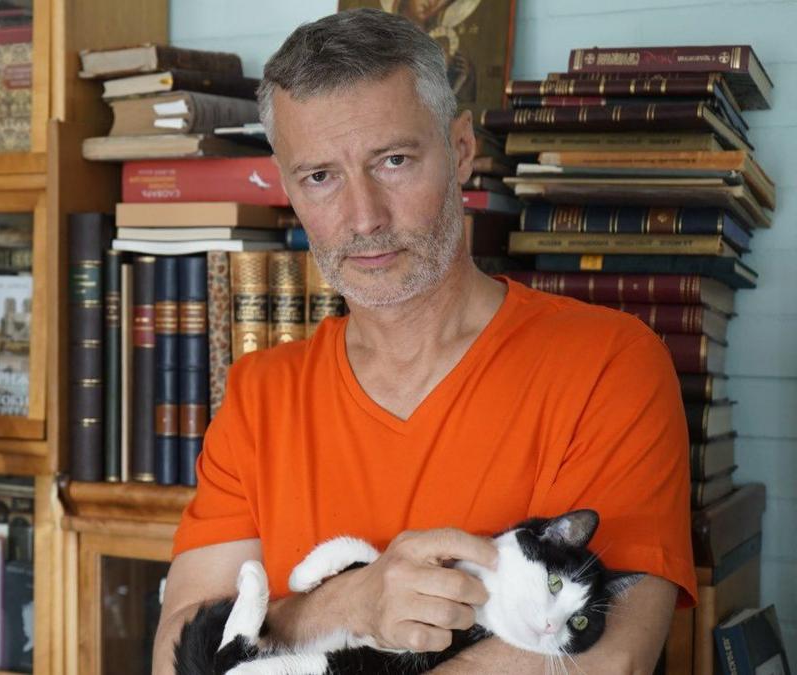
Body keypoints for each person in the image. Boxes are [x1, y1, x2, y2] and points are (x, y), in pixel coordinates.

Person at [151, 9, 696, 674]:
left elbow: (610, 659)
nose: (363, 217)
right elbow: (175, 654)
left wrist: (272, 633)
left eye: (394, 160)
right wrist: (348, 604)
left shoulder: (608, 363)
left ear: (461, 149)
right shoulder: (259, 394)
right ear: (287, 186)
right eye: (320, 176)